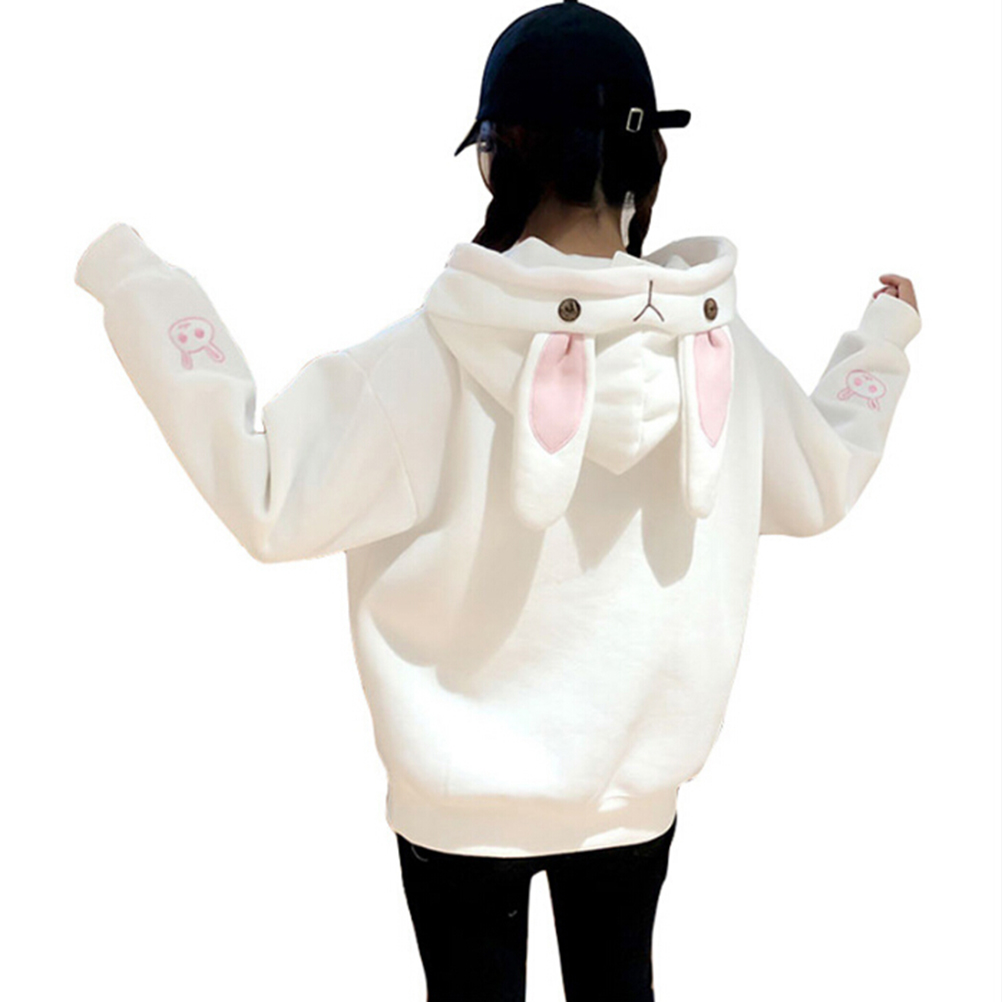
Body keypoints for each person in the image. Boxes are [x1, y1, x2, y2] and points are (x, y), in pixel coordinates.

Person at [74, 2, 921, 999]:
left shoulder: (422, 365)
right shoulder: (719, 354)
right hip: (635, 794)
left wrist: (138, 284)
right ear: (648, 163)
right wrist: (881, 340)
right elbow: (823, 479)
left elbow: (271, 497)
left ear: (495, 160)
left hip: (458, 809)